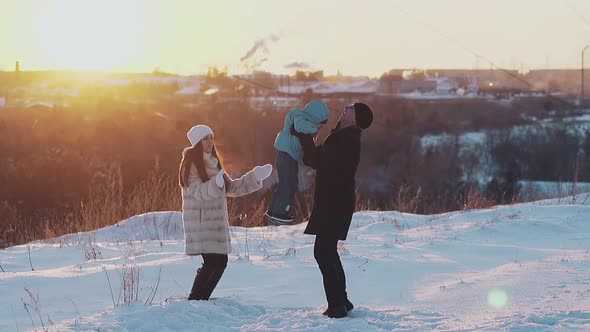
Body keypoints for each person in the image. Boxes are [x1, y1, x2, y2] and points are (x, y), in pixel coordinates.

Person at [291, 102, 373, 318]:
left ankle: (337, 305)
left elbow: (317, 160)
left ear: (356, 119)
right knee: (328, 251)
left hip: (335, 202)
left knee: (323, 252)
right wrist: (313, 144)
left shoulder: (347, 139)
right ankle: (342, 300)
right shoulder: (344, 136)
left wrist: (304, 137)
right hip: (335, 200)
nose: (347, 106)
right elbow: (322, 160)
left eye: (352, 107)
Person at [179, 124, 272, 301]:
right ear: (197, 142)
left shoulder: (214, 162)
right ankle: (196, 299)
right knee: (214, 262)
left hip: (215, 224)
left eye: (211, 137)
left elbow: (231, 188)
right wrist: (215, 185)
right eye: (205, 138)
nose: (210, 142)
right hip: (202, 223)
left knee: (219, 262)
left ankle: (200, 299)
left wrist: (255, 177)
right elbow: (197, 191)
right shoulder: (190, 164)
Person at [264, 99, 329, 225]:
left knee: (289, 184)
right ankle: (279, 212)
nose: (320, 127)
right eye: (320, 123)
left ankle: (274, 210)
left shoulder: (303, 120)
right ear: (315, 117)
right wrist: (314, 130)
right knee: (288, 184)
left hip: (289, 156)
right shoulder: (298, 117)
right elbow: (302, 127)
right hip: (286, 155)